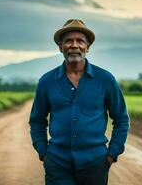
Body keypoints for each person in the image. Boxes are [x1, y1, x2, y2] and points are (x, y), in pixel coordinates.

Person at [29, 19, 130, 185]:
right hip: (57, 163)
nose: (74, 45)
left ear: (87, 47)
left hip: (96, 163)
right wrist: (43, 152)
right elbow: (37, 121)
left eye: (80, 41)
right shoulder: (47, 81)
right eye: (68, 41)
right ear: (60, 46)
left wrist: (112, 154)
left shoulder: (105, 79)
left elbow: (121, 119)